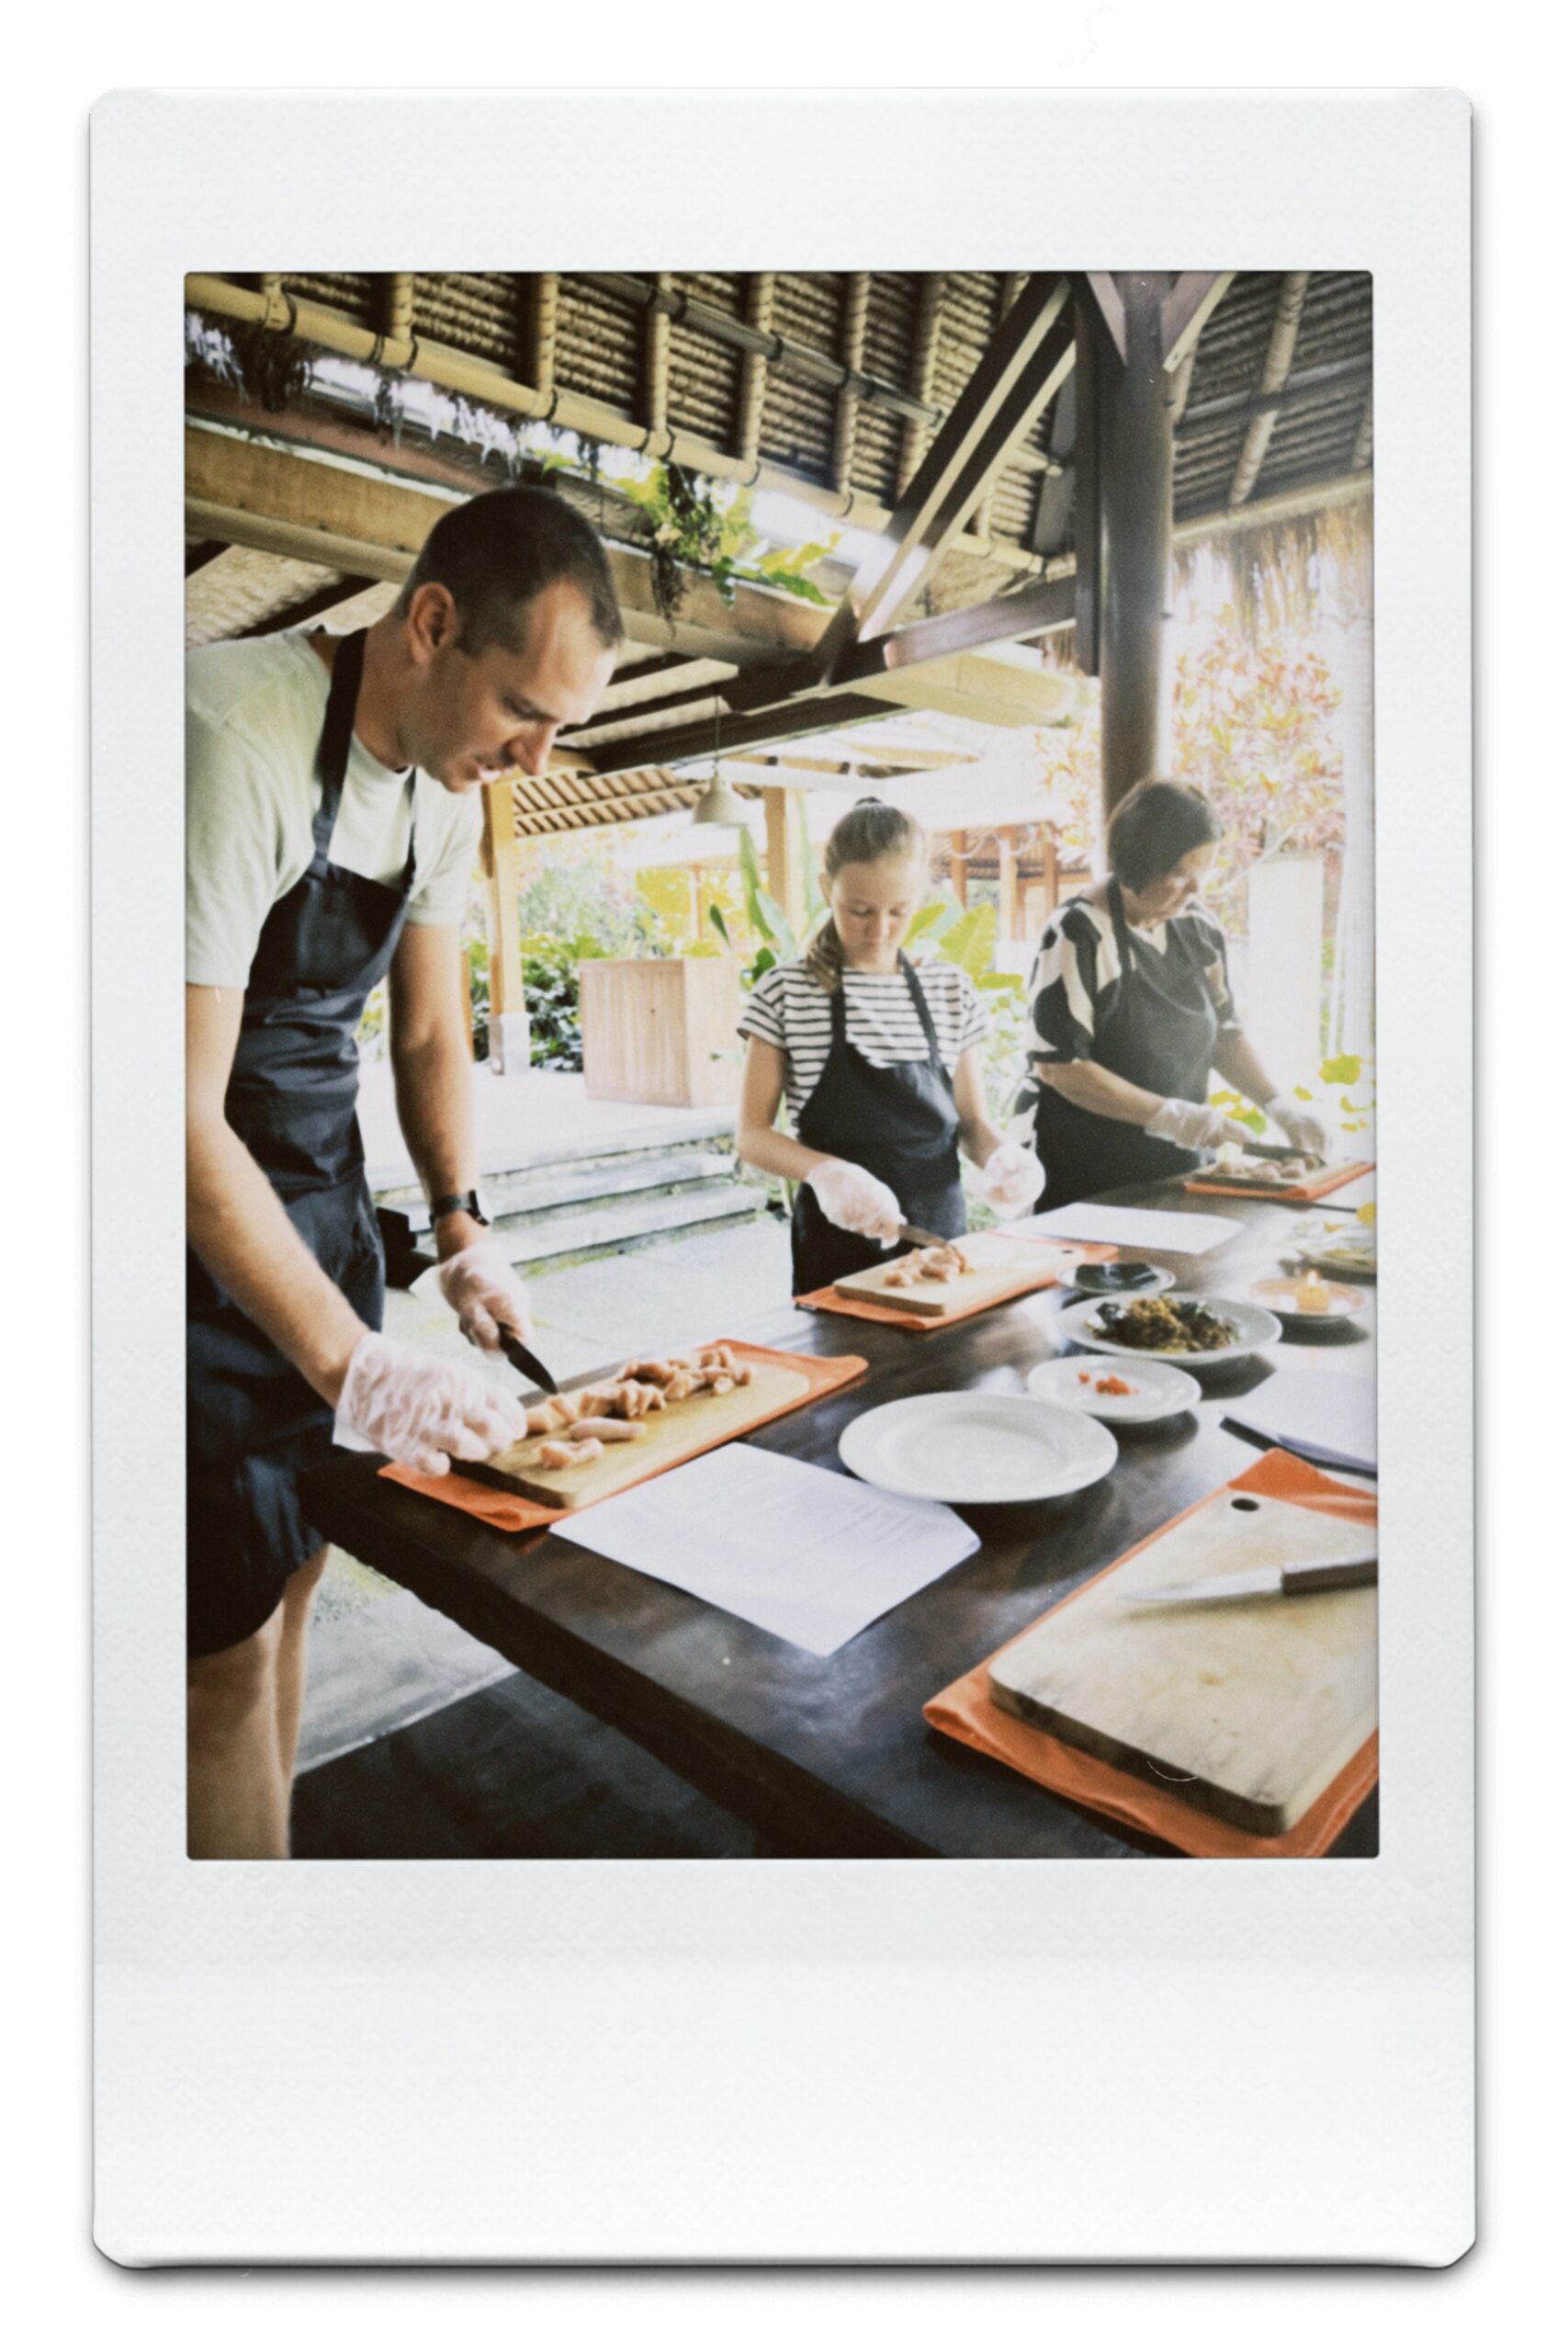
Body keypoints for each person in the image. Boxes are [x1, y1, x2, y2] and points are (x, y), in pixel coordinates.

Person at [186, 484, 621, 1858]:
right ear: (430, 624)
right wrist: (350, 1366)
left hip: (316, 1213)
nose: (539, 755)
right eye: (523, 711)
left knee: (300, 1583)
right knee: (220, 1661)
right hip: (179, 1250)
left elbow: (427, 1033)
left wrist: (458, 1223)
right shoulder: (226, 737)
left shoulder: (441, 783)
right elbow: (167, 1111)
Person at [735, 798, 1044, 1293]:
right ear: (826, 891)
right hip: (833, 1250)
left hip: (938, 1243)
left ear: (920, 899)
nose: (878, 931)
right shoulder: (786, 991)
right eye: (858, 911)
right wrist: (827, 1173)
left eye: (898, 912)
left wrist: (1005, 1160)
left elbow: (971, 1123)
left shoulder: (950, 989)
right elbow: (751, 1134)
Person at [1014, 777, 1329, 1212]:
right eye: (1182, 873)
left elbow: (1226, 1034)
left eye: (1202, 872)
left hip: (1178, 1166)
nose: (1196, 888)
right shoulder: (1078, 932)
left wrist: (1278, 1105)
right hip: (1088, 1173)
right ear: (1138, 865)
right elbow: (1061, 1068)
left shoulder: (1197, 928)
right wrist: (1175, 1118)